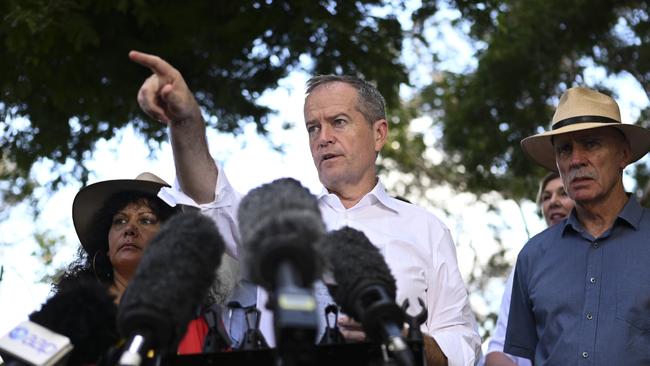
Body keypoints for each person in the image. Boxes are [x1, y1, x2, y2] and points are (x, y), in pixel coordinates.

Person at [129, 50, 481, 365]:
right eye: (313, 128)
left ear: (379, 133)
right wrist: (186, 121)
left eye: (338, 122)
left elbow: (462, 342)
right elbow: (210, 197)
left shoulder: (425, 228)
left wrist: (402, 337)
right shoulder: (277, 222)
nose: (323, 137)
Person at [503, 87, 650, 365]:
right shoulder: (534, 256)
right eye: (565, 149)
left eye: (591, 143)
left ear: (623, 154)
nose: (576, 160)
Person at [58, 172, 231, 354]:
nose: (129, 228)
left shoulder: (200, 320)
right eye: (120, 221)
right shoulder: (72, 312)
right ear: (106, 246)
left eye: (146, 220)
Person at [484, 172, 574, 366]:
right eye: (546, 197)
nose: (553, 202)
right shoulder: (528, 261)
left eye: (563, 194)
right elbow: (499, 350)